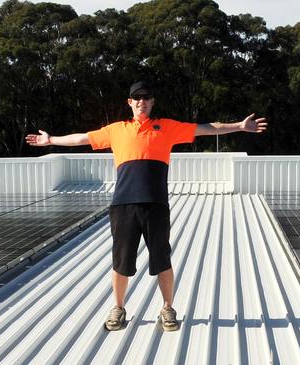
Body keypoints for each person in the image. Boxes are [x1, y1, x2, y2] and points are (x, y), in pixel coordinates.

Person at [25, 81, 267, 332]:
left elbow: (206, 128)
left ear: (152, 102)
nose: (141, 101)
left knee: (162, 260)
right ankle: (118, 308)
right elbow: (82, 139)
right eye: (136, 98)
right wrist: (50, 139)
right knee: (121, 261)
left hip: (156, 205)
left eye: (146, 97)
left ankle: (167, 308)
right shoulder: (116, 129)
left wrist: (239, 126)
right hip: (123, 206)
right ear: (129, 102)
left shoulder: (168, 127)